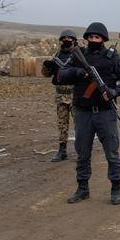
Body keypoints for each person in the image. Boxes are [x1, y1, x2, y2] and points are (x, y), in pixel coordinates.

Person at [58, 22, 120, 204]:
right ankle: (82, 188)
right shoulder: (79, 55)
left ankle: (115, 188)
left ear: (103, 39)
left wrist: (115, 91)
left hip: (105, 113)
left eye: (97, 37)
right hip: (83, 113)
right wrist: (77, 72)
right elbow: (60, 75)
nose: (93, 40)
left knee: (112, 153)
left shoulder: (112, 57)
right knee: (82, 152)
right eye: (90, 37)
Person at [41, 29, 77, 162]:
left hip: (75, 96)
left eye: (70, 38)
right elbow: (46, 75)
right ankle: (62, 151)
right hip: (61, 96)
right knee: (62, 125)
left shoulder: (78, 55)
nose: (67, 40)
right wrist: (47, 67)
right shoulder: (56, 55)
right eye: (64, 38)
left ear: (74, 40)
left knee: (79, 124)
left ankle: (82, 149)